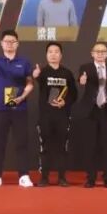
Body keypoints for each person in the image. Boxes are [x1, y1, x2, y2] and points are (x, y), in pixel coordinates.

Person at [0, 30, 34, 188]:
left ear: (17, 43)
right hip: (0, 108)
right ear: (1, 44)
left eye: (12, 41)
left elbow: (30, 83)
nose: (9, 44)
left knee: (21, 142)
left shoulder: (24, 62)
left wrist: (22, 97)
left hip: (19, 107)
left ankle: (24, 176)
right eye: (6, 41)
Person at [73, 43, 107, 188]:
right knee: (90, 146)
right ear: (92, 53)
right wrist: (81, 80)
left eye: (103, 51)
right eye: (97, 51)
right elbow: (81, 79)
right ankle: (91, 178)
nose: (100, 53)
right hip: (90, 111)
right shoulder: (86, 68)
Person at [33, 42, 78, 187]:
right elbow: (35, 79)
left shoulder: (67, 73)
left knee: (62, 147)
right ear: (46, 55)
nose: (53, 54)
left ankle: (62, 177)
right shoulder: (42, 72)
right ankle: (44, 178)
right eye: (50, 52)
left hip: (62, 116)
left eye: (56, 51)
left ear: (61, 55)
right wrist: (35, 75)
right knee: (45, 147)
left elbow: (74, 94)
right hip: (46, 116)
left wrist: (65, 102)